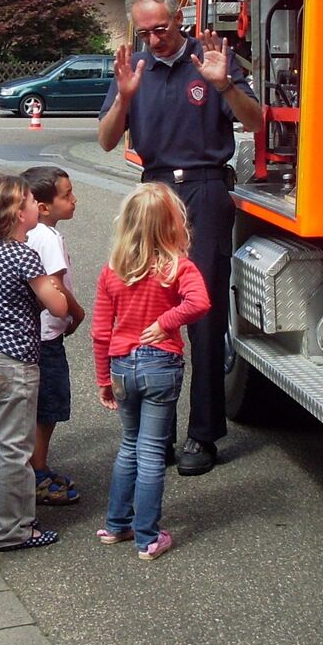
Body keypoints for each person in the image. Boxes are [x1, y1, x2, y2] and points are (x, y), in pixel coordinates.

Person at [98, 0, 262, 476]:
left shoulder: (210, 58)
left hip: (206, 189)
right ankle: (158, 434)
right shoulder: (135, 69)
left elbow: (256, 122)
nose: (154, 39)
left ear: (178, 21)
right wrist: (124, 99)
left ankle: (204, 434)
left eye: (161, 29)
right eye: (144, 32)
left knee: (203, 314)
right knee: (149, 310)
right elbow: (106, 141)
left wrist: (224, 85)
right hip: (155, 193)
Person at [91, 183, 210, 560]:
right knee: (152, 451)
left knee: (129, 445)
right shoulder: (179, 268)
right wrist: (167, 320)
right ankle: (147, 537)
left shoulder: (113, 271)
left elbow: (99, 331)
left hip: (122, 365)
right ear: (174, 224)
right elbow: (201, 302)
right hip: (160, 365)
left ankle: (116, 523)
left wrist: (103, 379)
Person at [0, 174, 69, 552]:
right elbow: (57, 306)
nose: (34, 206)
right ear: (15, 213)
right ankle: (16, 529)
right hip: (15, 362)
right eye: (28, 201)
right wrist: (55, 293)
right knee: (15, 449)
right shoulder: (25, 255)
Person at [22, 166, 85, 506]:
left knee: (34, 404)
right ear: (43, 206)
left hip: (32, 333)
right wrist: (76, 311)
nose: (74, 199)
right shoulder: (47, 238)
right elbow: (55, 284)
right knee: (48, 407)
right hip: (47, 335)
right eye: (66, 195)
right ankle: (38, 470)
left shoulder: (28, 232)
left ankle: (32, 466)